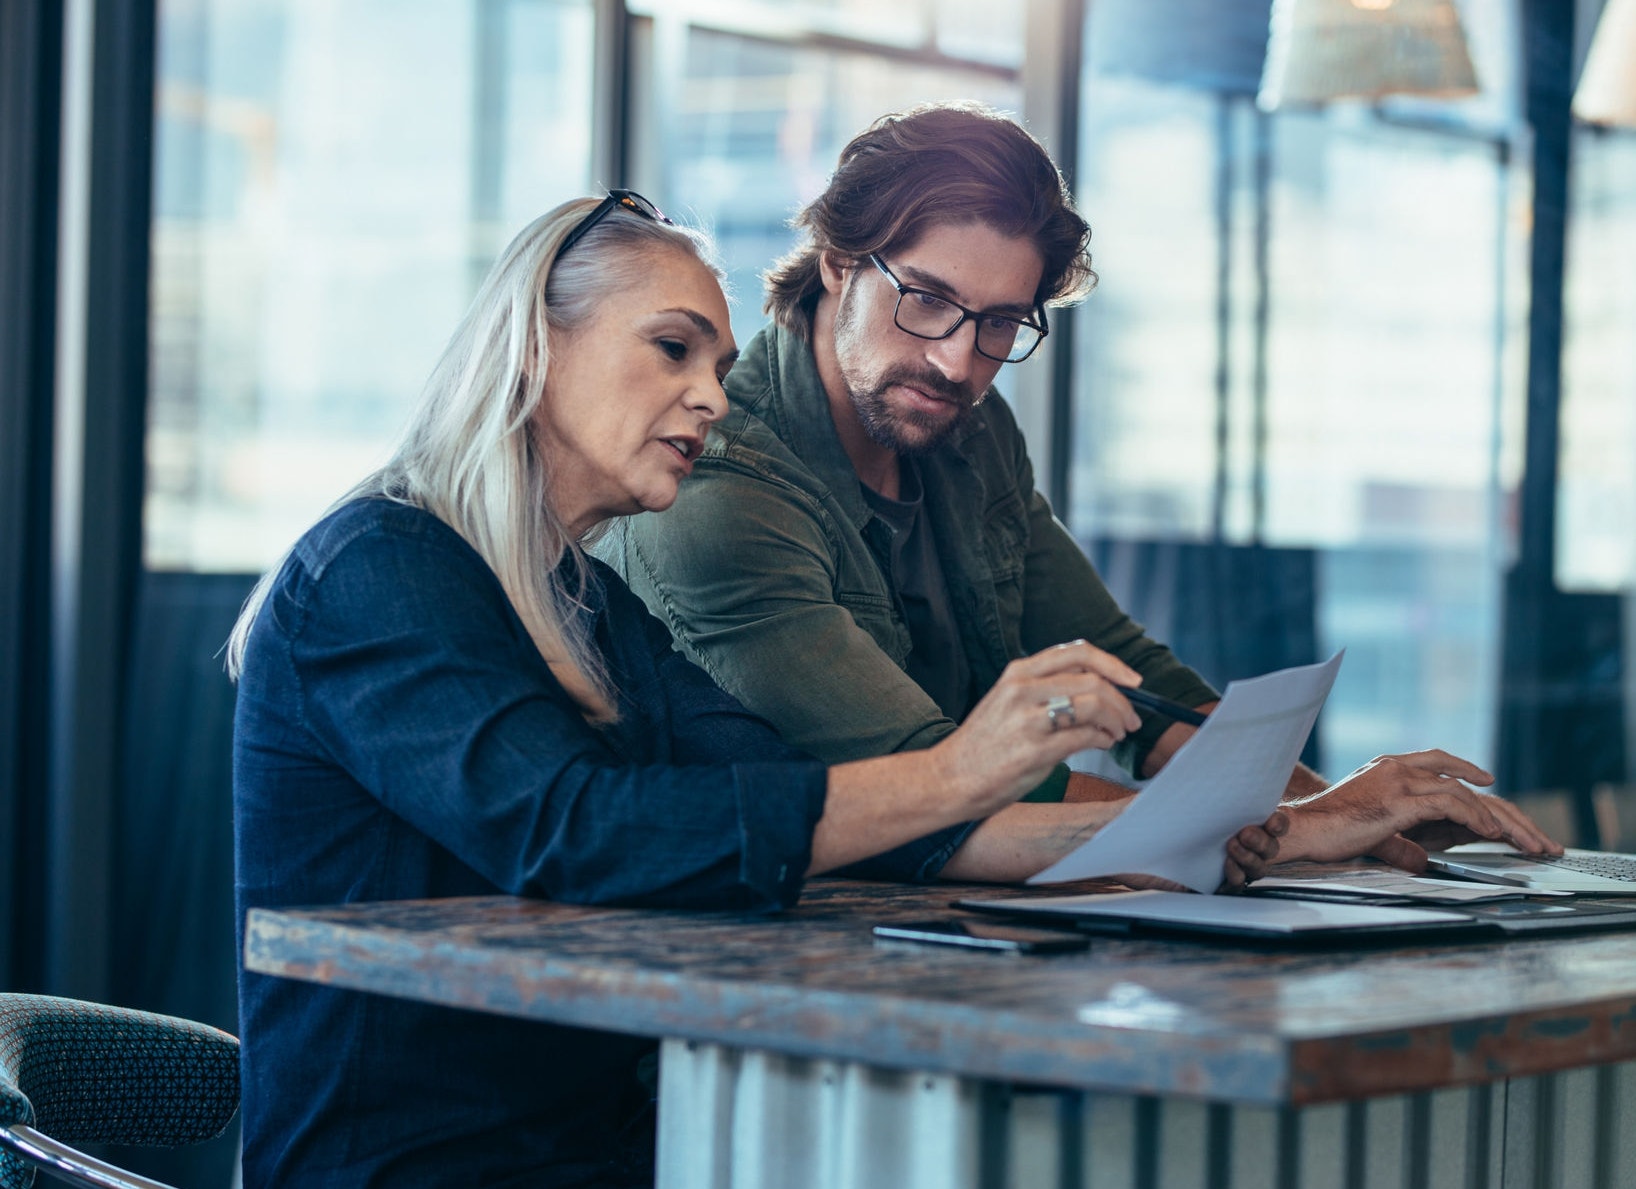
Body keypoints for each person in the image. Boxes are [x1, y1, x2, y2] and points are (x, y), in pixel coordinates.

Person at [226, 192, 1284, 1188]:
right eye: (672, 347)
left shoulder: (588, 602)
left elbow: (811, 797)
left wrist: (1185, 835)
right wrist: (964, 767)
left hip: (607, 1146)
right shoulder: (380, 569)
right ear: (534, 343)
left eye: (722, 366)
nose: (710, 398)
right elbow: (570, 828)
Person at [595, 103, 1561, 878]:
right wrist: (1305, 825)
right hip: (754, 961)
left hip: (952, 930)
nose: (955, 358)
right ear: (841, 266)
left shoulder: (963, 426)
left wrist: (1352, 828)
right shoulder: (719, 488)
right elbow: (938, 781)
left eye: (1000, 324)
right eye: (925, 299)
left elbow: (1131, 680)